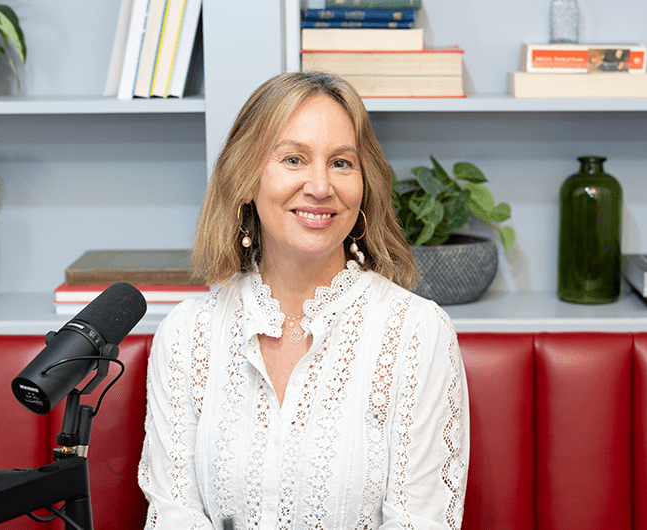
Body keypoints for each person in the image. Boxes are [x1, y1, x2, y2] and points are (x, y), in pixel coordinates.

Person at [138, 71, 469, 529]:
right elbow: (174, 514)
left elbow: (420, 521)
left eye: (341, 163)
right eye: (293, 159)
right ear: (247, 180)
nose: (320, 186)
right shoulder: (186, 334)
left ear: (364, 185)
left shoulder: (417, 333)